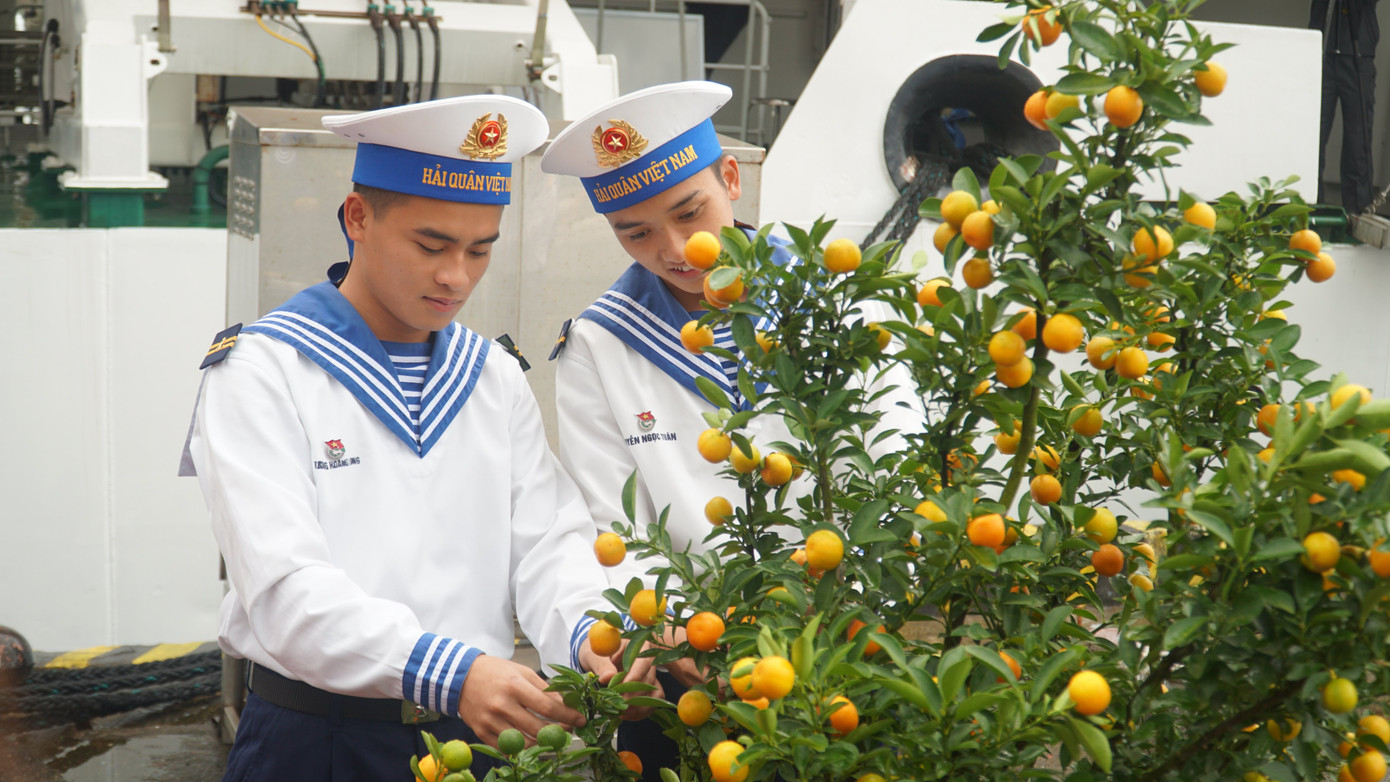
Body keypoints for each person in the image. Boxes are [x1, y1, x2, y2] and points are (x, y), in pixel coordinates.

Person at [180, 95, 653, 781]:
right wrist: (449, 671)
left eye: (480, 249)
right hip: (316, 741)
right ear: (358, 218)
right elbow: (284, 590)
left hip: (476, 741)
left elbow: (550, 544)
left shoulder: (490, 376)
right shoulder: (265, 370)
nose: (456, 276)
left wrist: (589, 639)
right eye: (431, 245)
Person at [540, 81, 926, 781]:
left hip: (843, 656)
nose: (676, 249)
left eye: (691, 213)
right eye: (636, 232)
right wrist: (669, 634)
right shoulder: (601, 344)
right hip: (688, 674)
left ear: (730, 179)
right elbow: (609, 526)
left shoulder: (838, 299)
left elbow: (896, 472)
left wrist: (858, 615)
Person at [1311, 0, 1381, 214]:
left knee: (1357, 143)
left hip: (1358, 53)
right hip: (1322, 50)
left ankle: (1358, 214)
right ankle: (1309, 209)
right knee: (1312, 139)